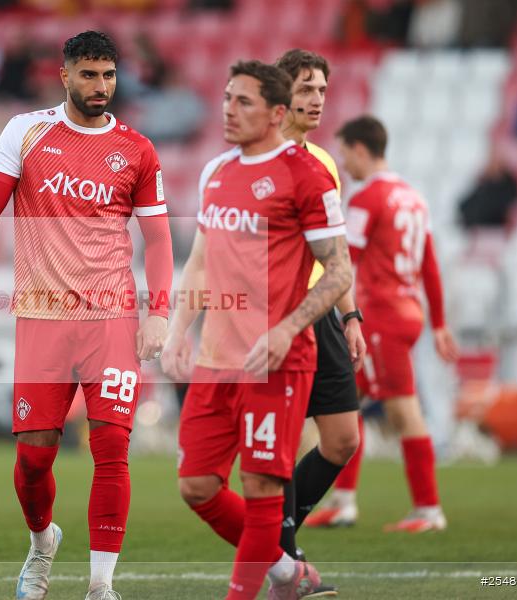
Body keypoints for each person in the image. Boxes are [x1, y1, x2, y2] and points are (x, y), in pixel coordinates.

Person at [0, 31, 173, 600]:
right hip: (42, 314)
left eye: (108, 75)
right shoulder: (26, 131)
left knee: (112, 448)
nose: (101, 85)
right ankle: (41, 543)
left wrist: (158, 312)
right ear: (64, 75)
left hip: (112, 316)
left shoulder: (137, 149)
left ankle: (101, 585)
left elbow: (158, 239)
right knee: (33, 458)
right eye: (88, 74)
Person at [161, 60, 352, 599]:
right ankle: (288, 572)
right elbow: (200, 263)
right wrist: (178, 331)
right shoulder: (216, 172)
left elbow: (339, 270)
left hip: (275, 361)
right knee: (197, 486)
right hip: (216, 360)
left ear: (274, 114)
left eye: (243, 102)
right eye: (226, 98)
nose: (228, 110)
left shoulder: (307, 175)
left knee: (262, 484)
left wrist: (288, 329)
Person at [310, 115, 459, 532]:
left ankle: (428, 509)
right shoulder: (413, 197)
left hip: (380, 316)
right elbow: (430, 264)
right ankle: (343, 502)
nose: (343, 163)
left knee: (402, 409)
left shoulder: (366, 199)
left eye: (344, 153)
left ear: (360, 149)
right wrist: (439, 323)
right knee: (346, 401)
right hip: (408, 311)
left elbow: (344, 260)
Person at [272, 49, 365, 554]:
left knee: (343, 438)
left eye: (322, 90)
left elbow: (336, 249)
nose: (317, 99)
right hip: (279, 315)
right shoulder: (260, 159)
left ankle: (276, 536)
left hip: (323, 311)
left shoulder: (325, 162)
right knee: (281, 444)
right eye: (306, 88)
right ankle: (283, 552)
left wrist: (350, 315)